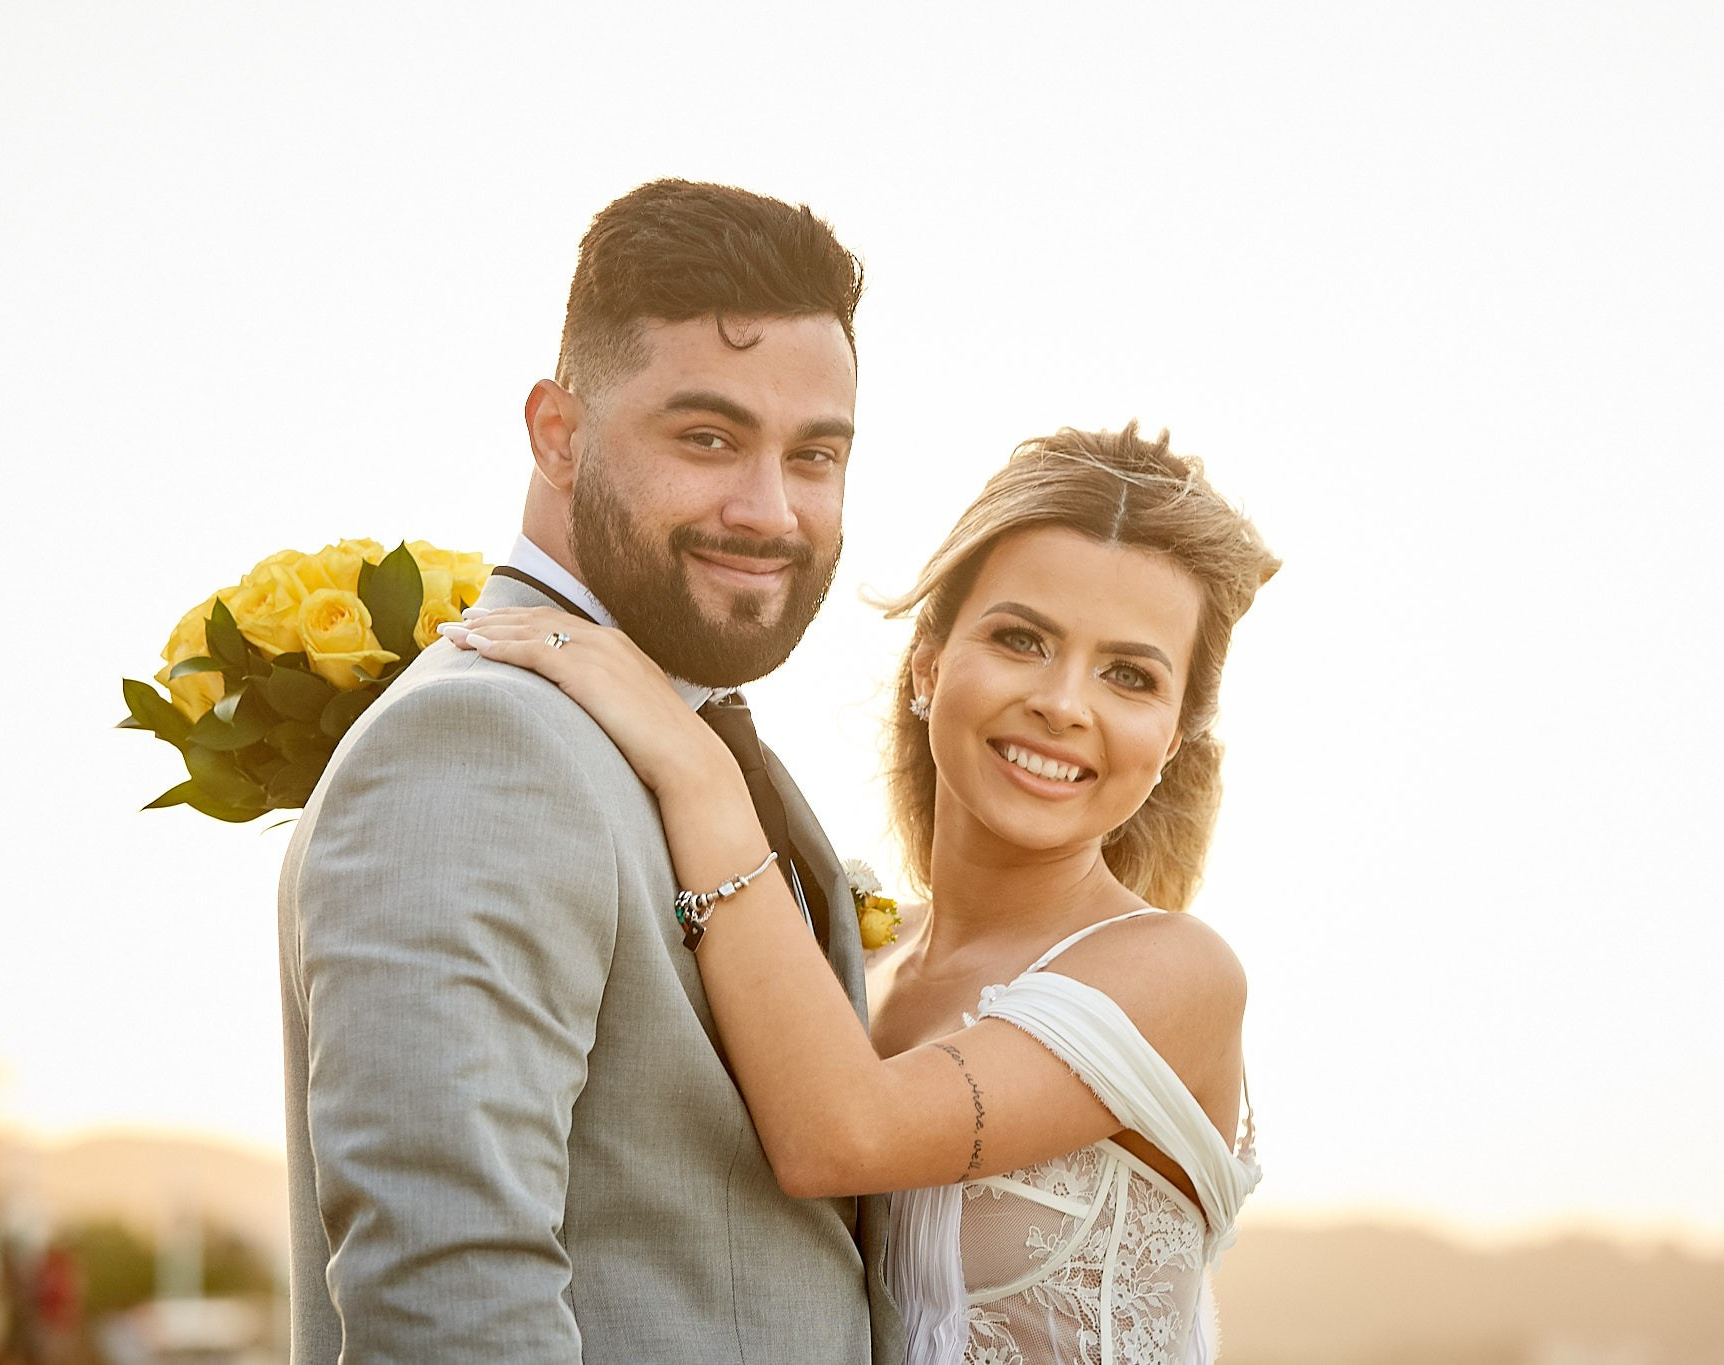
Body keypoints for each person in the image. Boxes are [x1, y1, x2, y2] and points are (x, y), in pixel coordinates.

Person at [450, 424, 1279, 1364]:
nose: (1064, 701)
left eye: (1129, 674)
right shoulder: (857, 950)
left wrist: (694, 759)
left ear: (1171, 737)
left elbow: (840, 1135)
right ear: (929, 661)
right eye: (1021, 638)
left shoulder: (1176, 973)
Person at [277, 179, 900, 1363]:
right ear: (558, 434)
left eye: (813, 454)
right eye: (707, 437)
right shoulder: (480, 744)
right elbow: (447, 1303)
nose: (769, 511)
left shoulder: (674, 736)